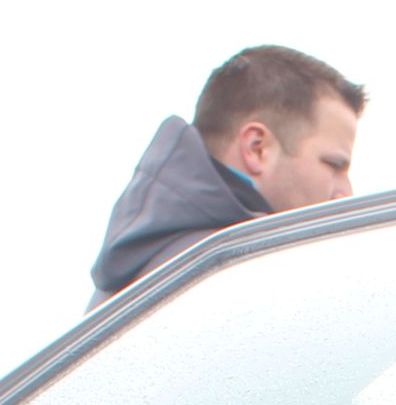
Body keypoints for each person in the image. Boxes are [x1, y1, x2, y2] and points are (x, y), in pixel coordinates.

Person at [89, 45, 364, 308]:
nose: (346, 192)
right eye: (334, 165)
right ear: (257, 148)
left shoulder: (159, 266)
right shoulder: (240, 275)